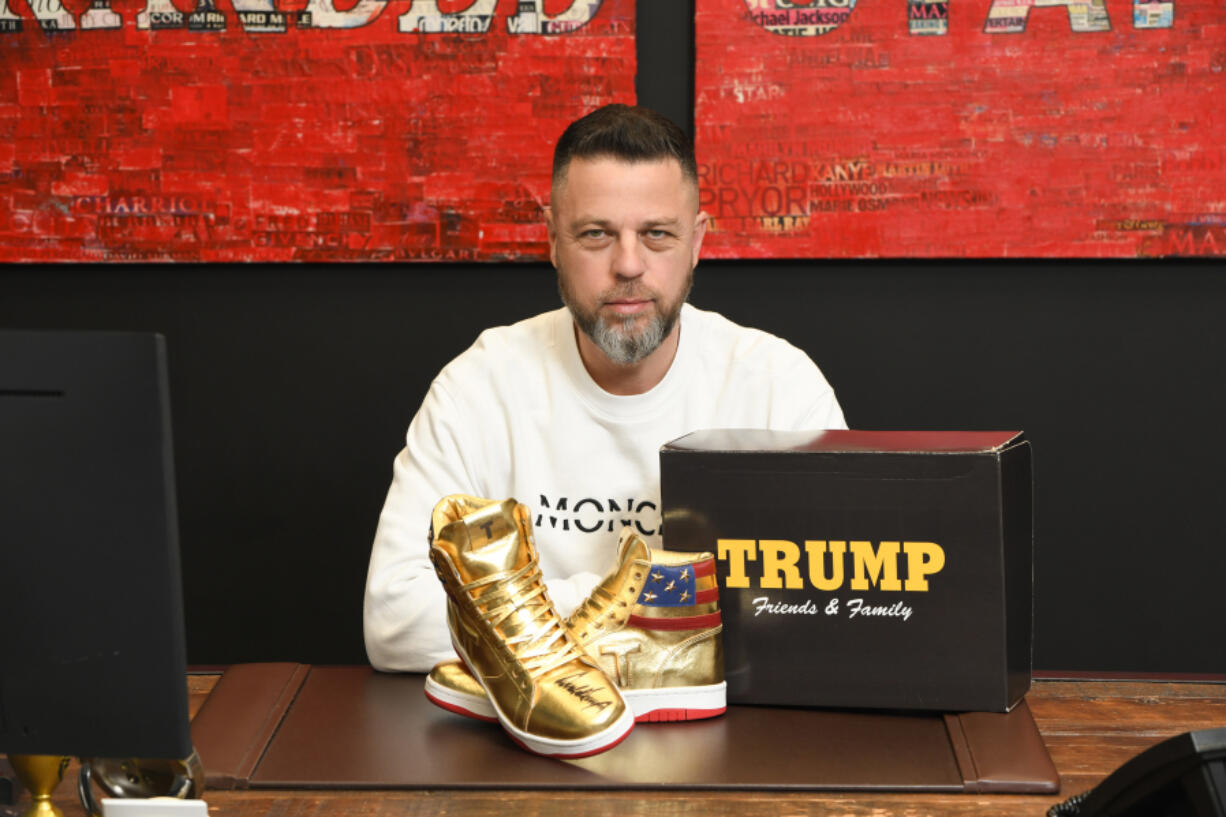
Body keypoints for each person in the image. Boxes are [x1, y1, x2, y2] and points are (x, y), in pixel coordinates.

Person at [364, 104, 846, 673]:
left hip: (730, 741)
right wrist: (625, 599)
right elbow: (395, 624)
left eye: (657, 234)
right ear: (552, 242)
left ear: (695, 242)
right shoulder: (480, 386)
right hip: (526, 745)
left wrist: (520, 609)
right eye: (596, 235)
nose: (628, 264)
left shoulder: (778, 390)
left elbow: (824, 615)